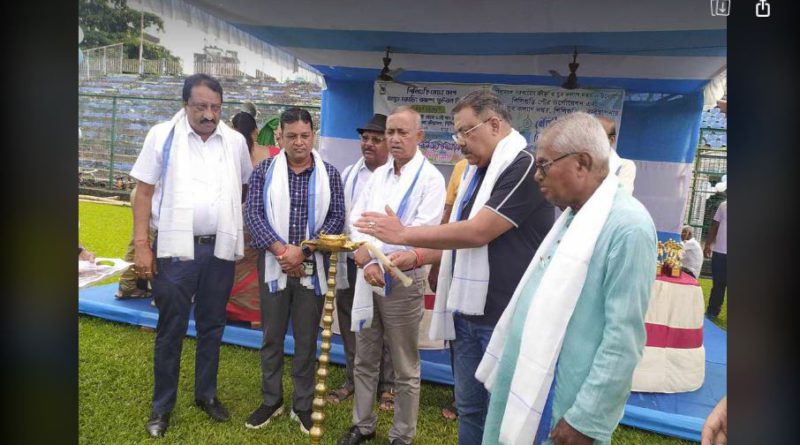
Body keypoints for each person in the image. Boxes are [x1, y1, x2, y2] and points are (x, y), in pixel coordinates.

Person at [354, 91, 554, 444]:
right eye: (456, 134)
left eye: (465, 132)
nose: (460, 143)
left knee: (503, 416)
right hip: (466, 313)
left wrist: (403, 234)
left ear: (494, 124)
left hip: (502, 316)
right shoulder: (476, 173)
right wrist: (416, 255)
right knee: (471, 410)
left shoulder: (522, 165)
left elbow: (478, 233)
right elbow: (456, 242)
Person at [472, 112, 656, 445]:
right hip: (526, 383)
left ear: (582, 163)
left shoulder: (628, 228)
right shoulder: (573, 217)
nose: (536, 176)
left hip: (563, 405)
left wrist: (586, 420)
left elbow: (623, 340)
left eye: (543, 165)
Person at [129, 74, 253, 438]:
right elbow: (144, 193)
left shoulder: (233, 142)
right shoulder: (162, 135)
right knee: (171, 328)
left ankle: (206, 395)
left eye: (215, 107)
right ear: (185, 105)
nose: (209, 114)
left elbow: (242, 186)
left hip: (219, 250)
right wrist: (141, 244)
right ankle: (161, 407)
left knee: (213, 325)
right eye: (201, 106)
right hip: (175, 250)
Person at [336, 106, 445, 445]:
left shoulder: (431, 179)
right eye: (390, 133)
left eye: (402, 133)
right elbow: (359, 221)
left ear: (419, 137)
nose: (394, 139)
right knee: (365, 357)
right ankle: (363, 424)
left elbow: (423, 235)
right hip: (368, 279)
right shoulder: (380, 175)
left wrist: (382, 259)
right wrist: (367, 262)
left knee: (404, 365)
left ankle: (402, 435)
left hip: (402, 280)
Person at [243, 107, 345, 434]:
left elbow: (336, 219)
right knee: (271, 336)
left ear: (313, 135)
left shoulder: (329, 174)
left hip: (311, 267)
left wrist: (304, 251)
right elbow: (254, 215)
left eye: (304, 135)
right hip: (274, 265)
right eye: (292, 136)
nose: (299, 142)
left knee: (306, 339)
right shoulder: (264, 172)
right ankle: (271, 400)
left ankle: (302, 405)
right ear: (280, 137)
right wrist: (282, 251)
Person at [327, 113, 396, 409]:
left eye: (376, 139)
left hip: (386, 261)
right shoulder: (348, 174)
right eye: (365, 138)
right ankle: (352, 379)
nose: (368, 144)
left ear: (390, 144)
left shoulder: (398, 177)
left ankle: (389, 385)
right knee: (352, 321)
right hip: (352, 260)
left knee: (387, 323)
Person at [115, 186, 156, 299]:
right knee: (156, 243)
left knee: (137, 241)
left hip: (142, 192)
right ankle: (159, 293)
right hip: (153, 195)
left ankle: (127, 286)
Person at [597, 116, 636, 194]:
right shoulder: (577, 162)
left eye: (598, 136)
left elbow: (621, 197)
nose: (593, 140)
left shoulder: (624, 166)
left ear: (612, 140)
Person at [704, 198, 727, 318]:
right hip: (720, 252)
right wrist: (707, 245)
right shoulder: (723, 205)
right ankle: (712, 311)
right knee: (718, 283)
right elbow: (715, 226)